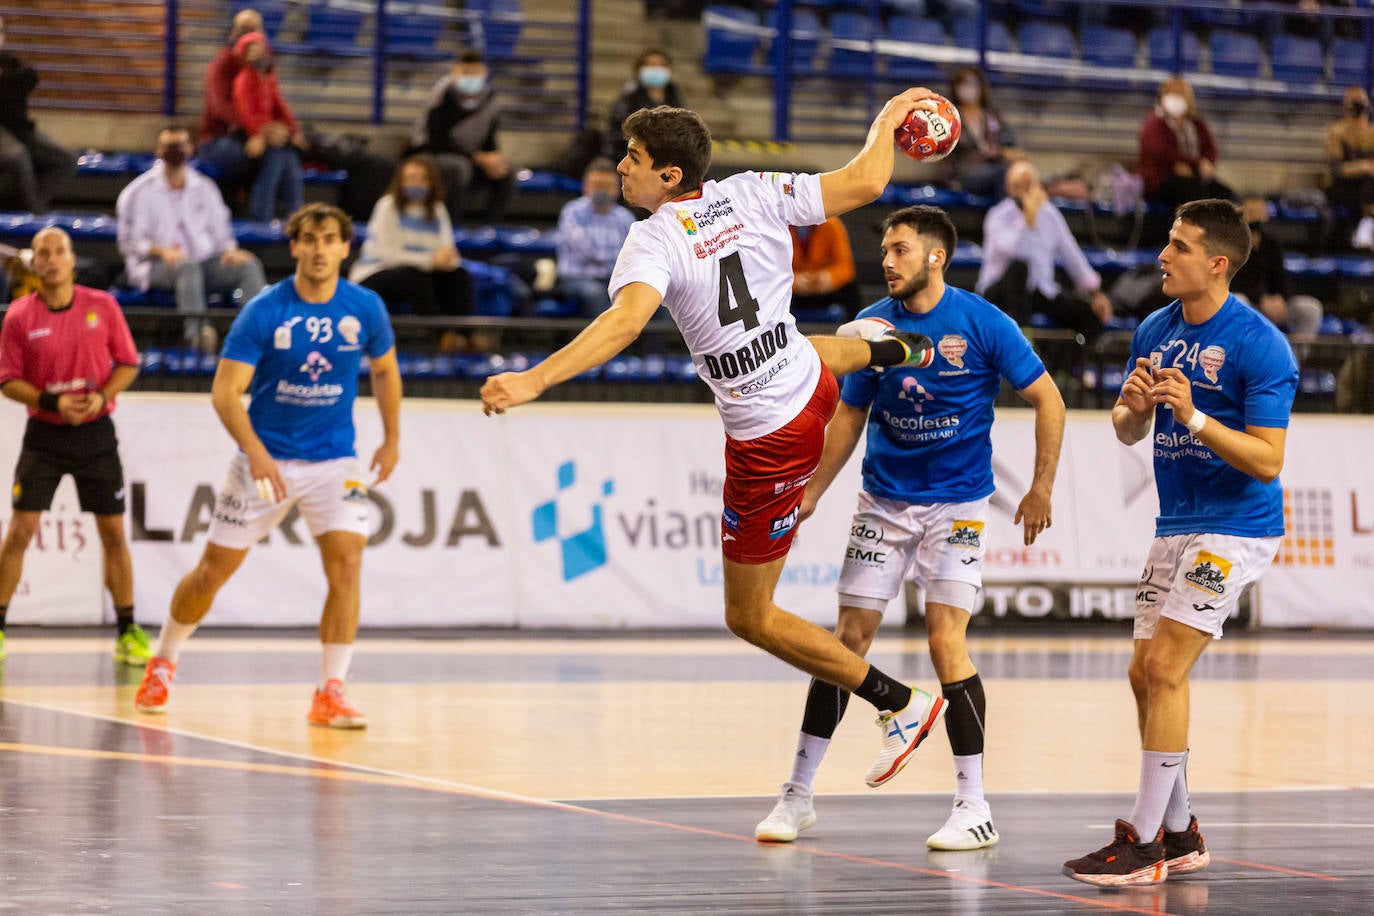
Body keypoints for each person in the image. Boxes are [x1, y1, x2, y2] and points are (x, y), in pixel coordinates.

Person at [481, 92, 957, 790]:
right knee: (802, 347)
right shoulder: (752, 192)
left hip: (771, 435)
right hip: (806, 377)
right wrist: (886, 123)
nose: (621, 168)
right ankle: (890, 350)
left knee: (750, 614)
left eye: (634, 160)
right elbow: (866, 183)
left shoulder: (654, 238)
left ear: (670, 177)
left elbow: (622, 325)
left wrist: (535, 380)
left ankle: (900, 706)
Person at [755, 205, 1066, 846]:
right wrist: (812, 491)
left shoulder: (982, 322)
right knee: (847, 640)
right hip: (884, 503)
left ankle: (973, 806)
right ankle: (798, 793)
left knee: (945, 640)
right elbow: (848, 421)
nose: (887, 262)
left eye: (900, 250)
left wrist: (1040, 487)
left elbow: (1049, 398)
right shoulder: (871, 329)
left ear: (935, 256)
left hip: (957, 506)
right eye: (886, 251)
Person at [1063, 200, 1298, 886]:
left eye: (1178, 246)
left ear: (1216, 264)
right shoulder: (1156, 327)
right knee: (1143, 675)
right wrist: (1132, 409)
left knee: (1164, 669)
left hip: (1237, 526)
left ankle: (1139, 843)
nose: (1162, 256)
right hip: (1175, 522)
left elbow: (1268, 460)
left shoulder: (1260, 344)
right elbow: (1127, 430)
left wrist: (1194, 413)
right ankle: (1179, 833)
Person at [134, 203, 402, 728]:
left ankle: (331, 689)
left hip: (335, 460)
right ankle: (163, 660)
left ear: (346, 248)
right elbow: (225, 393)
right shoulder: (265, 309)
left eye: (330, 239)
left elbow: (386, 371)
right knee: (213, 573)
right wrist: (255, 452)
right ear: (295, 247)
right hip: (266, 457)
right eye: (310, 239)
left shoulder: (365, 307)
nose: (320, 248)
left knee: (347, 565)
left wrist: (392, 440)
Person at [0, 227, 149, 665]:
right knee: (20, 532)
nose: (50, 259)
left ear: (71, 258)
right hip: (45, 435)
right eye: (42, 253)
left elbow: (128, 363)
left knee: (113, 533)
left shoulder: (102, 306)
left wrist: (101, 397)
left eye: (58, 251)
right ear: (34, 263)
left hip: (96, 433)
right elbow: (7, 380)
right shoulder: (19, 317)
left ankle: (128, 630)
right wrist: (53, 401)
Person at [117, 126, 267, 353]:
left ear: (190, 148)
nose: (175, 151)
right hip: (155, 266)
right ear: (159, 150)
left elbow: (221, 232)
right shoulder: (138, 192)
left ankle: (258, 334)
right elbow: (128, 243)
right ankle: (198, 336)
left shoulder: (205, 187)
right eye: (169, 147)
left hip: (204, 263)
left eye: (179, 146)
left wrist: (228, 250)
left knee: (247, 265)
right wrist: (161, 251)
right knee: (187, 267)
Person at [976, 160, 1114, 341]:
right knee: (1019, 267)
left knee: (1090, 314)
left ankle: (1066, 368)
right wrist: (1028, 219)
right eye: (1018, 185)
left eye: (1028, 185)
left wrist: (1095, 292)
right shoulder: (998, 216)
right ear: (1008, 187)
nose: (1024, 191)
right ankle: (1024, 339)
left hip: (1038, 291)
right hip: (999, 291)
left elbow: (1071, 252)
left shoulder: (1049, 214)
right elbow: (1014, 250)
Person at [349, 154, 472, 318]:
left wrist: (448, 260)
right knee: (412, 275)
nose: (417, 184)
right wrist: (430, 261)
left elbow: (448, 250)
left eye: (423, 179)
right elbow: (388, 256)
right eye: (412, 178)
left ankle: (465, 334)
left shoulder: (437, 209)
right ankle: (441, 334)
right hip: (377, 273)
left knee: (458, 275)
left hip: (421, 273)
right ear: (400, 181)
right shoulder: (387, 206)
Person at [411, 49, 517, 225]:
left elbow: (489, 138)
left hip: (472, 158)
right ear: (455, 71)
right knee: (460, 168)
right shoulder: (442, 94)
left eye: (474, 72)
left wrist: (493, 157)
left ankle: (491, 229)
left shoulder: (490, 98)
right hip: (435, 155)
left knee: (507, 172)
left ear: (484, 72)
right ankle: (452, 226)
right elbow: (436, 140)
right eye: (465, 72)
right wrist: (475, 157)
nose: (470, 77)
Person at [0, 15, 75, 213]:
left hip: (20, 130)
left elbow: (30, 78)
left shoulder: (10, 63)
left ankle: (31, 210)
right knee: (18, 156)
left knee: (65, 160)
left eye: (0, 32)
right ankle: (35, 214)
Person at [231, 31, 305, 223]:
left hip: (273, 137)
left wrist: (293, 130)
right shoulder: (244, 79)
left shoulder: (268, 78)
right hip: (252, 137)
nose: (257, 55)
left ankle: (295, 219)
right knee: (272, 165)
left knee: (290, 162)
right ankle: (261, 220)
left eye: (259, 50)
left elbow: (280, 105)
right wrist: (259, 134)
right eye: (252, 51)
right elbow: (246, 111)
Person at [552, 157, 636, 317]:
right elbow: (588, 252)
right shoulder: (572, 212)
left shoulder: (625, 217)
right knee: (595, 294)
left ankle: (649, 343)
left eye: (607, 186)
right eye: (598, 186)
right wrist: (619, 258)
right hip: (577, 278)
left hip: (613, 277)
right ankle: (612, 342)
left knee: (653, 298)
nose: (602, 192)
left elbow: (634, 254)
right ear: (586, 187)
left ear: (617, 189)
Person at [1232, 196, 1322, 339]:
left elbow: (1281, 278)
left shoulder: (1272, 244)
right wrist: (1261, 299)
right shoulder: (1232, 244)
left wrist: (1281, 298)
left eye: (1260, 211)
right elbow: (1233, 282)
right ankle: (1240, 358)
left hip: (1271, 304)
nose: (1256, 217)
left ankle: (1294, 359)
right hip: (1250, 302)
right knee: (1238, 301)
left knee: (1309, 308)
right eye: (1251, 212)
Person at [1138, 77, 1235, 209]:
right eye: (1171, 93)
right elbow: (1160, 151)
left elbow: (1210, 148)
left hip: (1196, 177)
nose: (1176, 98)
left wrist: (1205, 163)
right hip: (1163, 180)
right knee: (1191, 191)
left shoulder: (1196, 124)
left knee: (1225, 195)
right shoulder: (1154, 123)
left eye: (1180, 93)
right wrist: (1194, 164)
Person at [196, 7, 263, 196]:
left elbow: (273, 105)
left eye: (254, 29)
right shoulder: (221, 65)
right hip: (218, 139)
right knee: (240, 155)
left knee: (283, 155)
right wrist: (255, 130)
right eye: (244, 29)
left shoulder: (263, 67)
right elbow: (220, 108)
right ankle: (239, 204)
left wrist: (275, 131)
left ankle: (268, 219)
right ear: (233, 32)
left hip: (251, 135)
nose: (249, 35)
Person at [941, 67, 1022, 199]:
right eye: (963, 83)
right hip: (963, 176)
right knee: (1002, 173)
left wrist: (999, 152)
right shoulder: (949, 117)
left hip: (993, 171)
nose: (968, 88)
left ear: (981, 87)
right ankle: (1006, 216)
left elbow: (1013, 150)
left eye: (972, 83)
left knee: (1016, 173)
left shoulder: (993, 117)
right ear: (955, 88)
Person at [604, 49, 689, 163]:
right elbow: (618, 136)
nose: (655, 69)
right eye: (650, 65)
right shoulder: (627, 100)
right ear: (639, 70)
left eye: (659, 65)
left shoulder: (676, 98)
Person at [1323, 86, 1374, 249]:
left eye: (1360, 101)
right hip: (1345, 187)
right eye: (1354, 102)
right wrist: (1362, 167)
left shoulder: (1372, 133)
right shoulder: (1336, 132)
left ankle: (1367, 224)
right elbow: (1337, 169)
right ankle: (1366, 225)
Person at [789, 216, 861, 319]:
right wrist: (794, 281)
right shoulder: (781, 225)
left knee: (850, 287)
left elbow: (846, 267)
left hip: (825, 289)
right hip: (794, 291)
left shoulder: (831, 223)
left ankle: (854, 326)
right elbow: (774, 268)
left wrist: (829, 277)